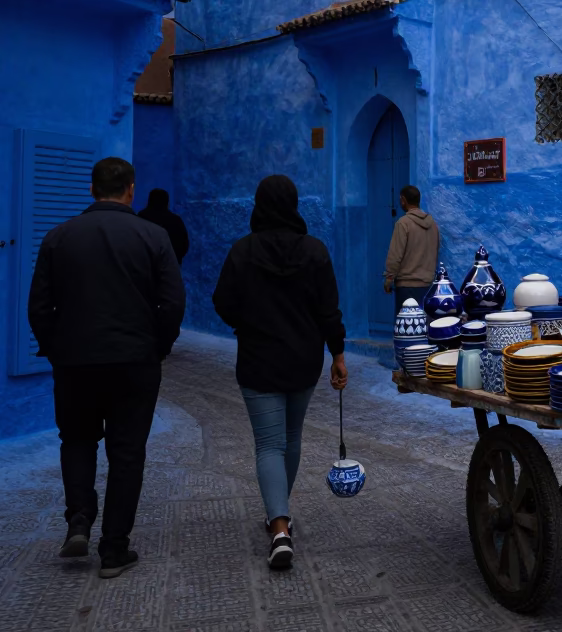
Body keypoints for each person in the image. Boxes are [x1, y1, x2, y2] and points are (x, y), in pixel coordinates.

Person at [27, 157, 185, 579]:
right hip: (135, 361)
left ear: (92, 189)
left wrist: (55, 348)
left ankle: (79, 518)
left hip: (76, 360)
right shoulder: (153, 237)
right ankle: (114, 549)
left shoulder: (59, 238)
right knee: (127, 453)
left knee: (77, 439)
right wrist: (159, 346)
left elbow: (39, 307)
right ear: (131, 189)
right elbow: (172, 303)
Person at [212, 175, 349, 570]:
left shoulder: (243, 251)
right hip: (304, 359)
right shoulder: (315, 251)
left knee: (269, 444)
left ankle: (279, 526)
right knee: (290, 438)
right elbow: (329, 311)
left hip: (258, 359)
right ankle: (280, 517)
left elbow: (223, 302)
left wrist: (246, 323)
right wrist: (338, 355)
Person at [384, 185, 440, 312]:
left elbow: (395, 254)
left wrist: (389, 278)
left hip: (407, 287)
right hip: (428, 285)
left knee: (406, 328)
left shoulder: (403, 223)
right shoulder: (433, 224)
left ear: (403, 200)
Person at [137, 189, 190, 265]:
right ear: (167, 202)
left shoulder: (141, 217)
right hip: (169, 267)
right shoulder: (175, 220)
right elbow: (184, 245)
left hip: (144, 266)